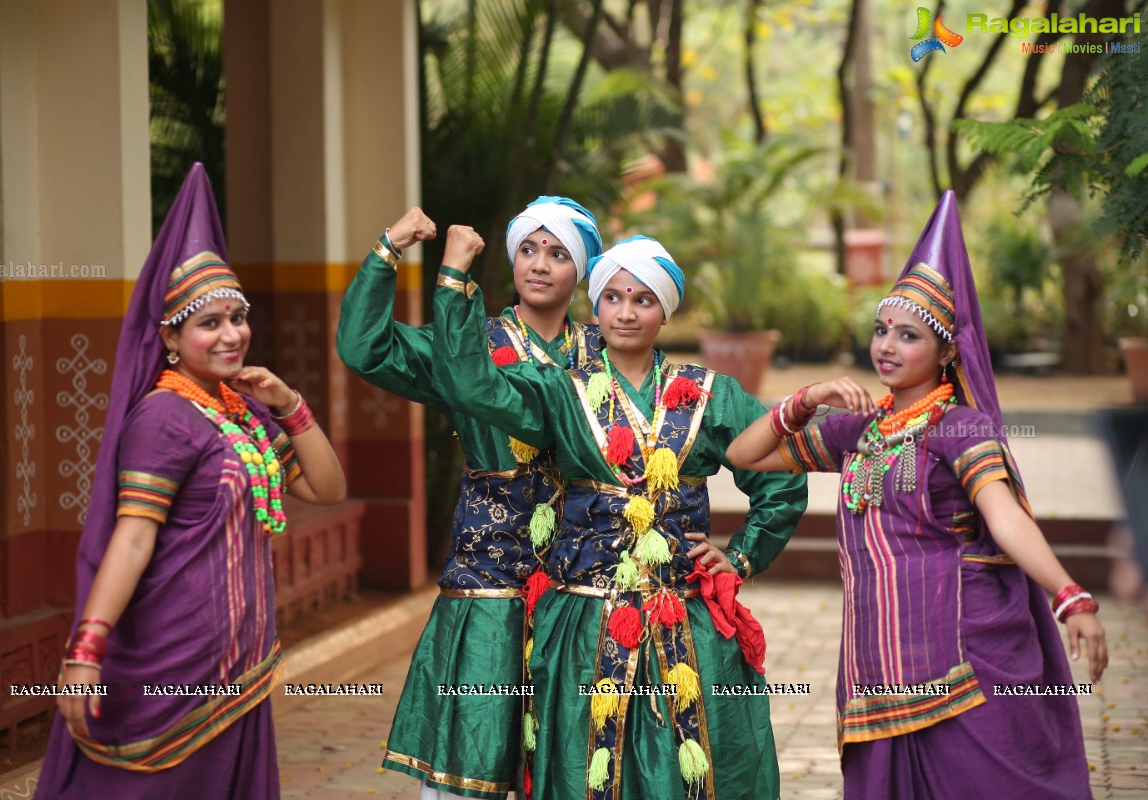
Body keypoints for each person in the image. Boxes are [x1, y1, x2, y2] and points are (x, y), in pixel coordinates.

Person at [725, 191, 1106, 799]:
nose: (887, 346)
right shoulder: (860, 430)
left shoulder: (960, 427)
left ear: (948, 351)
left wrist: (1069, 596)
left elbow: (1004, 517)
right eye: (881, 331)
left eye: (909, 336)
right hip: (879, 658)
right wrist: (805, 399)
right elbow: (743, 456)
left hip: (962, 648)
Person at [429, 231, 808, 800]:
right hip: (582, 623)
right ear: (595, 305)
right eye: (612, 297)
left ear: (665, 311)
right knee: (579, 773)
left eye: (643, 299)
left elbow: (779, 475)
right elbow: (472, 387)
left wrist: (742, 553)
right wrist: (454, 280)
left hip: (682, 619)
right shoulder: (559, 391)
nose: (625, 313)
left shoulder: (707, 394)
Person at [34, 164, 347, 800]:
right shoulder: (162, 418)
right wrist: (85, 651)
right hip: (174, 660)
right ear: (171, 337)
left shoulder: (242, 411)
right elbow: (132, 540)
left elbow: (326, 488)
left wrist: (289, 404)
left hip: (235, 663)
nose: (232, 334)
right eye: (210, 323)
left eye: (238, 317)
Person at [336, 197, 605, 799]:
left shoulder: (602, 356)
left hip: (583, 582)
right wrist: (389, 250)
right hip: (488, 579)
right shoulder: (467, 343)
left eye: (558, 254)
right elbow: (365, 349)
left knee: (578, 753)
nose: (539, 265)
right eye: (528, 250)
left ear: (581, 272)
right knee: (472, 754)